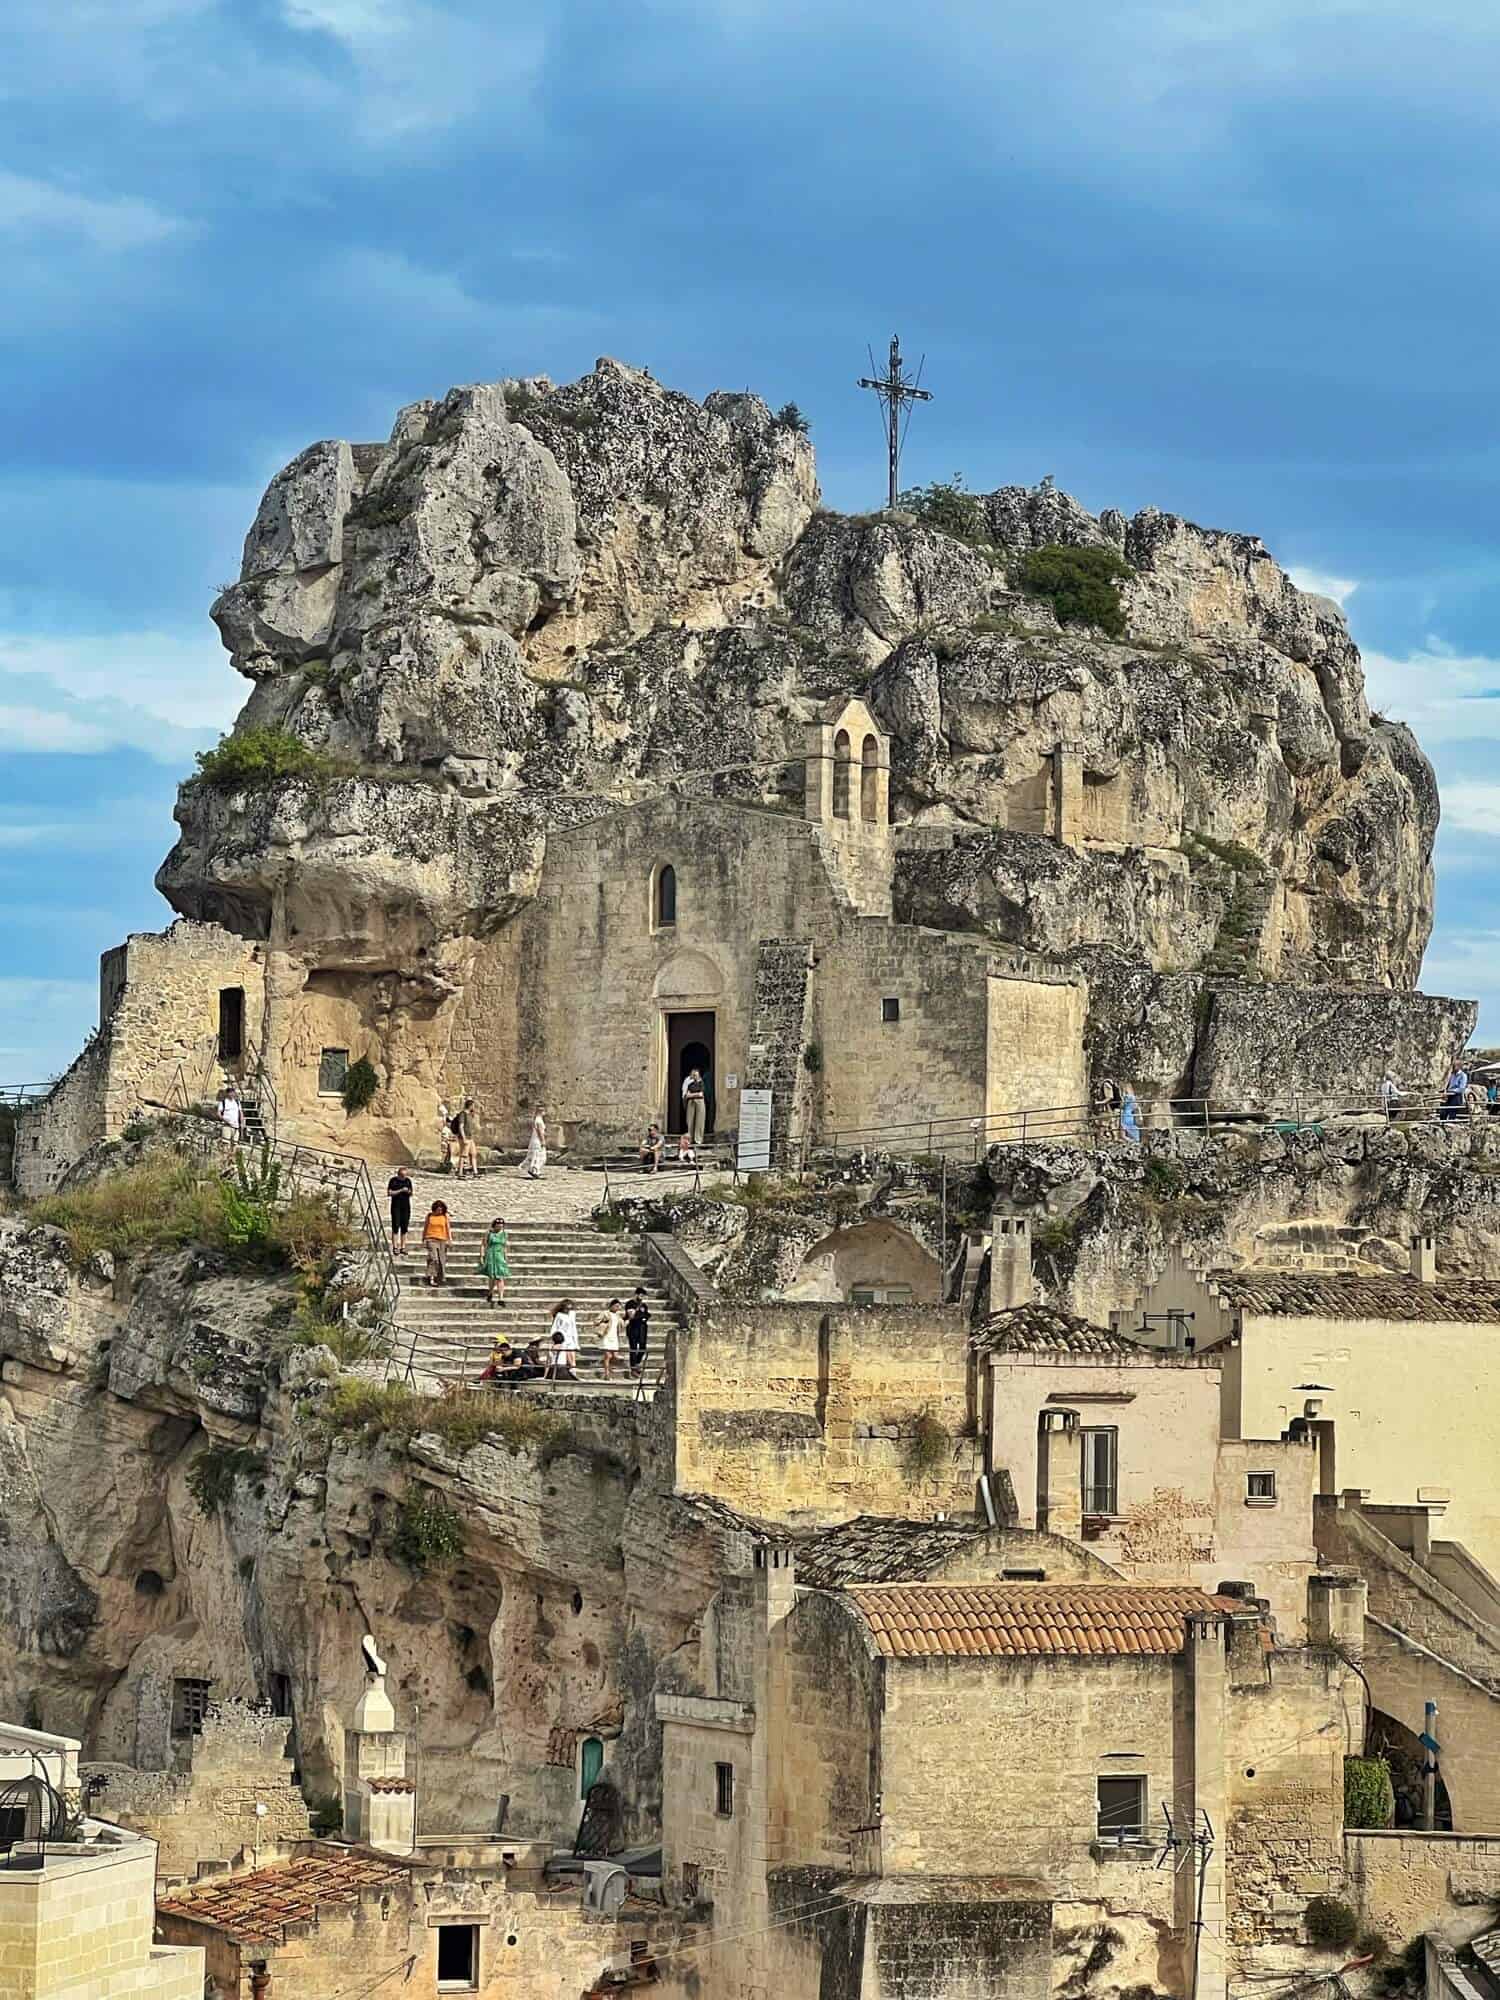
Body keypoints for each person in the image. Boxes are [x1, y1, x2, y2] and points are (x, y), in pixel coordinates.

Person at [422, 1199, 452, 1287]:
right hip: (431, 1239)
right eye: (438, 1209)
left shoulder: (445, 1217)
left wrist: (450, 1239)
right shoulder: (429, 1216)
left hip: (442, 1240)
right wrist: (423, 1238)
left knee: (442, 1260)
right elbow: (425, 1227)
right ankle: (431, 1278)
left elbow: (448, 1228)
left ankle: (440, 1278)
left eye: (441, 1210)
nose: (440, 1211)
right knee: (433, 1258)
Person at [480, 1216, 510, 1305]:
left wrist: (506, 1257)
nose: (500, 1226)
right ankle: (490, 1292)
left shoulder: (504, 1234)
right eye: (498, 1225)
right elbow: (483, 1244)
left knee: (500, 1277)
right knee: (492, 1277)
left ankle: (501, 1298)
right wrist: (482, 1256)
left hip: (499, 1256)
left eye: (502, 1225)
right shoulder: (489, 1233)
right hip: (490, 1256)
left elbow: (504, 1246)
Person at [547, 1298, 578, 1380]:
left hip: (570, 1338)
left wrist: (576, 1342)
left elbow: (573, 1328)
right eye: (567, 1308)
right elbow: (554, 1328)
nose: (568, 1310)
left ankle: (574, 1374)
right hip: (562, 1338)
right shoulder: (559, 1315)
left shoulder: (572, 1314)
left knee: (572, 1358)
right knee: (565, 1356)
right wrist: (555, 1338)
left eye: (570, 1308)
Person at [387, 1165, 414, 1254]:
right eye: (402, 1176)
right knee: (396, 1226)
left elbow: (411, 1193)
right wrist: (401, 1190)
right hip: (396, 1206)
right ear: (399, 1174)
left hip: (406, 1206)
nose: (404, 1177)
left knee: (404, 1227)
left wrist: (408, 1191)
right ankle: (395, 1246)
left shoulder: (408, 1181)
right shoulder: (393, 1181)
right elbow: (390, 1192)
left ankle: (403, 1247)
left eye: (405, 1175)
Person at [625, 1288, 651, 1377]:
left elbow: (647, 1315)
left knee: (643, 1347)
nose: (642, 1297)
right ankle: (633, 1368)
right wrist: (641, 1315)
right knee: (633, 1348)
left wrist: (643, 1316)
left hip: (642, 1328)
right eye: (640, 1295)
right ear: (636, 1294)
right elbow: (631, 1316)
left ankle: (637, 1362)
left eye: (643, 1295)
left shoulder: (644, 1305)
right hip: (633, 1328)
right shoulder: (630, 1304)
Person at [596, 1297, 623, 1381]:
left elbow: (621, 1325)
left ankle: (608, 1368)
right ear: (611, 1306)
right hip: (606, 1336)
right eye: (616, 1306)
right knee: (607, 1355)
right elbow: (596, 1321)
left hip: (614, 1337)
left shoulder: (618, 1315)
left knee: (615, 1356)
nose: (617, 1308)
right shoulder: (605, 1313)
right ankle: (607, 1374)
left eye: (618, 1306)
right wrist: (604, 1322)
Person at [682, 1067, 707, 1148]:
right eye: (693, 1075)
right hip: (691, 1102)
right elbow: (686, 1095)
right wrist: (695, 1094)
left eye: (696, 1075)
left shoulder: (702, 1082)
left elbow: (701, 1094)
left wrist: (692, 1094)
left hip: (700, 1102)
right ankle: (690, 1139)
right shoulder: (689, 1083)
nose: (694, 1076)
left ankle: (698, 1140)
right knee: (690, 1121)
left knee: (699, 1121)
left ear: (699, 1075)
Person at [456, 1097, 479, 1178]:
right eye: (473, 1106)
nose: (474, 1107)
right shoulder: (463, 1114)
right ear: (470, 1106)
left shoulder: (470, 1115)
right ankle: (460, 1173)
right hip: (464, 1137)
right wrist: (464, 1138)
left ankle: (475, 1172)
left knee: (473, 1154)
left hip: (470, 1138)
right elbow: (461, 1126)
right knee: (463, 1155)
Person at [523, 1106, 548, 1180]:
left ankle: (534, 1170)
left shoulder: (536, 1120)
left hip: (534, 1140)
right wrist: (543, 1141)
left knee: (535, 1155)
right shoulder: (539, 1121)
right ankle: (534, 1170)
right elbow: (540, 1132)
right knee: (541, 1156)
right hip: (537, 1140)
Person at [218, 1082, 243, 1148]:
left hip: (236, 1126)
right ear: (227, 1093)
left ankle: (232, 1157)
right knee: (226, 1144)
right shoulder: (223, 1102)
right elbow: (219, 1113)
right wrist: (224, 1120)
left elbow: (240, 1112)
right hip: (227, 1126)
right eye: (230, 1093)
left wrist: (242, 1121)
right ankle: (225, 1157)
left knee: (235, 1144)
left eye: (233, 1093)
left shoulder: (237, 1102)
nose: (232, 1094)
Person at [437, 1099, 455, 1173]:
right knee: (444, 1154)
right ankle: (442, 1165)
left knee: (448, 1154)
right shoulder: (445, 1129)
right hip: (445, 1143)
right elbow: (445, 1138)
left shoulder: (449, 1129)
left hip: (448, 1143)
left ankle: (446, 1165)